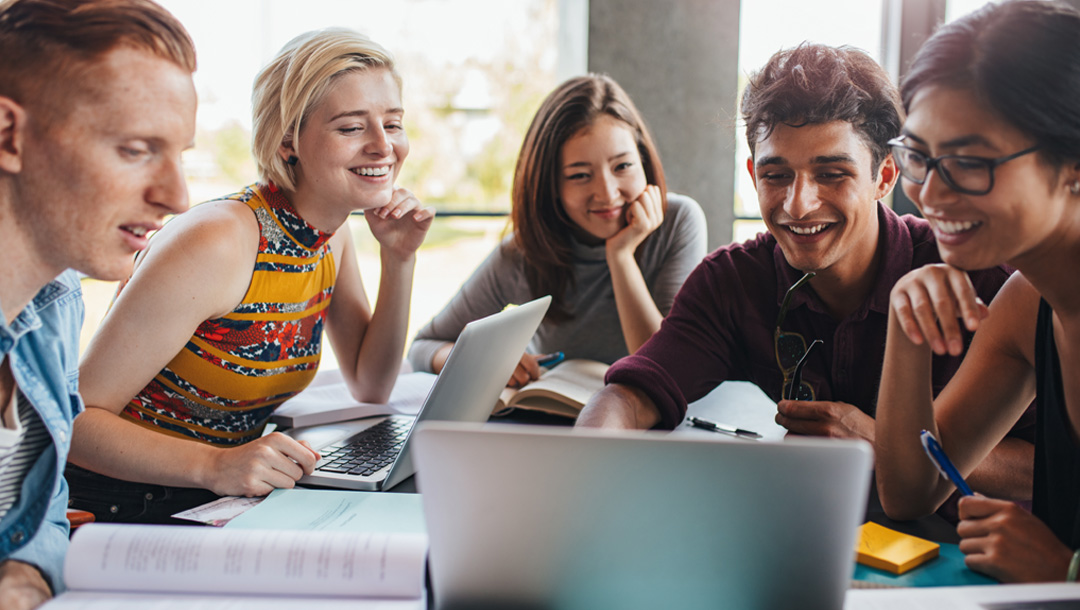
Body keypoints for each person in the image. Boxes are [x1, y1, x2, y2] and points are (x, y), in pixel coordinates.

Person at [576, 44, 1033, 511]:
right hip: (806, 533)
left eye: (832, 174)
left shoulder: (984, 282)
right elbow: (629, 398)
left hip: (962, 553)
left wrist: (881, 442)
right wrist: (584, 478)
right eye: (776, 175)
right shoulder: (732, 281)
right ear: (754, 175)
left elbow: (1050, 469)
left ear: (885, 176)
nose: (798, 205)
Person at [67, 28, 434, 523]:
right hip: (123, 504)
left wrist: (400, 258)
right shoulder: (217, 240)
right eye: (351, 128)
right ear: (288, 142)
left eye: (392, 124)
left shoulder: (331, 233)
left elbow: (371, 383)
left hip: (217, 498)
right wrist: (216, 464)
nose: (382, 146)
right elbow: (75, 422)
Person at [875, 0, 1080, 583]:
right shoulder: (1027, 304)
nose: (930, 195)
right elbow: (912, 492)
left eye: (968, 161)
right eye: (919, 156)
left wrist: (1065, 571)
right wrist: (905, 321)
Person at [0, 0, 197, 605]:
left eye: (179, 155)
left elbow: (40, 517)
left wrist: (24, 577)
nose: (177, 198)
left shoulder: (56, 303)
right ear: (8, 135)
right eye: (136, 149)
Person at [407, 74, 707, 387]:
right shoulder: (524, 253)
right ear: (551, 185)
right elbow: (423, 348)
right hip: (553, 424)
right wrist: (485, 363)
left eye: (622, 166)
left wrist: (620, 256)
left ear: (643, 161)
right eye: (579, 175)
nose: (606, 193)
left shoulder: (678, 222)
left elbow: (663, 366)